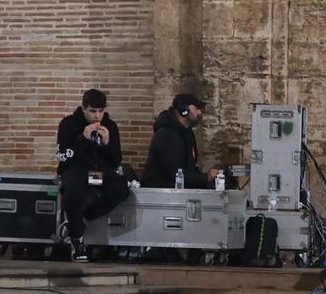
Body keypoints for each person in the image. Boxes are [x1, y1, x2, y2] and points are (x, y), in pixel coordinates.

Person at [55, 87, 131, 262]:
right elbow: (64, 158)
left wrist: (106, 144)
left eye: (101, 111)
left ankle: (84, 217)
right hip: (76, 170)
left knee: (121, 186)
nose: (97, 116)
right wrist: (82, 139)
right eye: (92, 111)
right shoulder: (68, 124)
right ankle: (77, 240)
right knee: (73, 189)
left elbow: (115, 162)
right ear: (83, 109)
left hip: (98, 173)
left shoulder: (109, 126)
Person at [142, 93, 217, 191]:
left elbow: (190, 166)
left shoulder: (186, 132)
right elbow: (174, 172)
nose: (200, 113)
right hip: (162, 193)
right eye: (196, 108)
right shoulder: (167, 134)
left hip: (177, 191)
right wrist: (205, 177)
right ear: (184, 110)